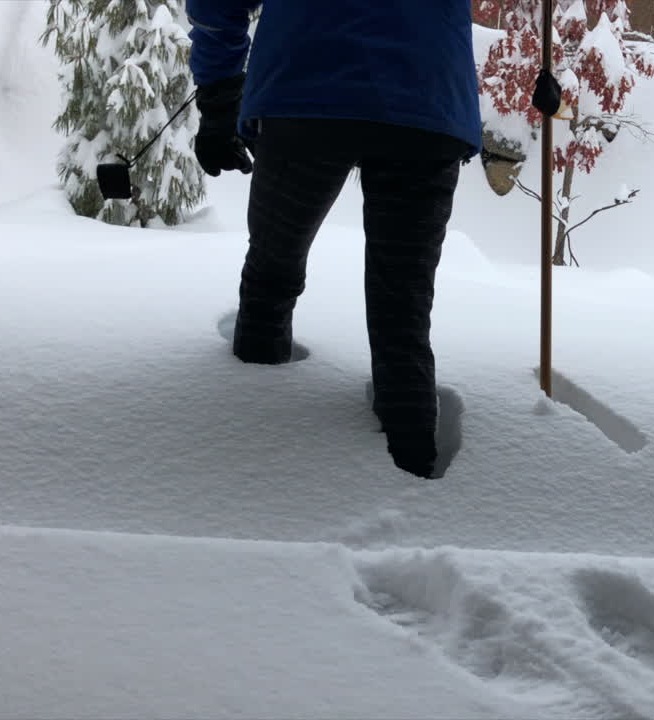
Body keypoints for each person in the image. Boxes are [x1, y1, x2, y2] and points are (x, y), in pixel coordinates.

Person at [186, 1, 482, 479]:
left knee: (271, 277)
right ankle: (414, 481)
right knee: (402, 311)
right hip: (426, 100)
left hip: (303, 92)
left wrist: (219, 95)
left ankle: (244, 459)